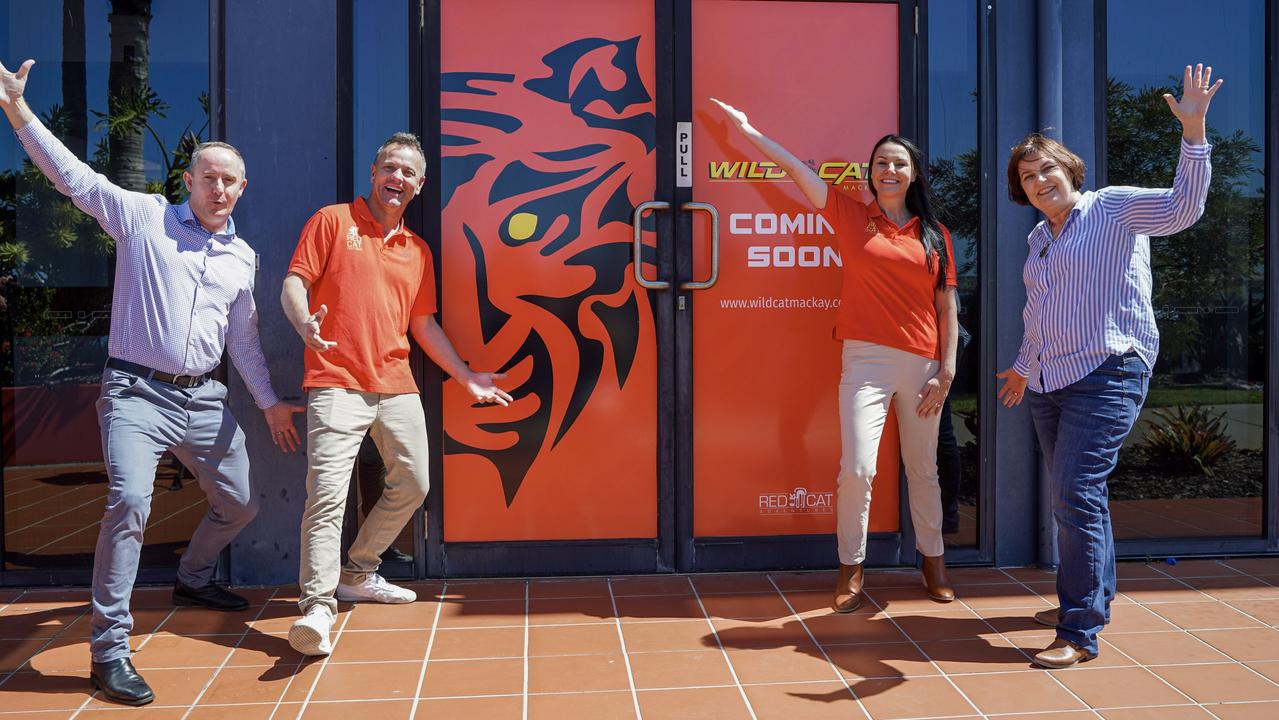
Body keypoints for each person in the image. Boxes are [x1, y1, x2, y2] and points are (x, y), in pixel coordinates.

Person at [0, 59, 303, 705]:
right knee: (131, 504)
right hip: (135, 393)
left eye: (229, 182)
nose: (218, 189)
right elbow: (73, 178)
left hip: (204, 397)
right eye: (208, 177)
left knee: (241, 503)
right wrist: (19, 113)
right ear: (187, 179)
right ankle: (108, 651)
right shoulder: (142, 217)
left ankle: (193, 575)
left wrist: (271, 404)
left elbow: (242, 339)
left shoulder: (241, 257)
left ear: (242, 189)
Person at [997, 63, 1219, 669]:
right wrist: (1022, 367)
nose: (1039, 179)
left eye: (1046, 168)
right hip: (1049, 380)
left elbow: (1181, 210)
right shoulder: (1039, 240)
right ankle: (1092, 596)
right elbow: (1038, 313)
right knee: (1078, 496)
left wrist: (1193, 133)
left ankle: (1079, 630)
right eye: (1027, 174)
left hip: (1108, 370)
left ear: (1069, 170)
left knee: (1075, 492)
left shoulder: (1113, 208)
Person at [713, 99, 959, 612]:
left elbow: (947, 305)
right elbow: (794, 171)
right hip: (865, 361)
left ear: (913, 174)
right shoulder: (850, 214)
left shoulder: (935, 235)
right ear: (870, 173)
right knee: (857, 469)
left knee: (923, 469)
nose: (889, 170)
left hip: (922, 363)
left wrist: (948, 370)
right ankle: (851, 567)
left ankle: (932, 561)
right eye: (881, 163)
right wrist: (750, 129)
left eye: (899, 163)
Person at [281, 132, 511, 656]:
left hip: (396, 384)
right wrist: (304, 326)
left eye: (408, 172)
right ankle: (317, 608)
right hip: (336, 381)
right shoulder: (332, 222)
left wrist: (467, 376)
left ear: (420, 185)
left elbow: (423, 326)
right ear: (373, 172)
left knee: (414, 482)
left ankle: (358, 572)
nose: (398, 178)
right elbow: (294, 284)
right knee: (327, 499)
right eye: (390, 168)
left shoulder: (418, 251)